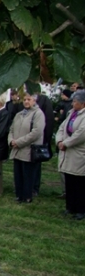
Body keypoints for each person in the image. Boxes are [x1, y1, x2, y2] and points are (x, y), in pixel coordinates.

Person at [8, 93, 45, 203]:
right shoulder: (19, 114)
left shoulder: (38, 114)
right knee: (18, 174)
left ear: (34, 101)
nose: (26, 101)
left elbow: (36, 132)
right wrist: (11, 141)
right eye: (24, 99)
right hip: (16, 149)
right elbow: (11, 129)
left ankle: (27, 196)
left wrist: (19, 142)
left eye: (29, 99)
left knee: (28, 174)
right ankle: (19, 195)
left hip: (29, 149)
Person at [56, 90, 85, 220]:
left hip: (78, 153)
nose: (72, 103)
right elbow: (62, 128)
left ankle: (81, 210)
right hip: (67, 152)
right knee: (69, 181)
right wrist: (59, 141)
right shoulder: (71, 113)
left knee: (79, 183)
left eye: (75, 101)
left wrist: (66, 143)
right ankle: (70, 207)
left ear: (83, 103)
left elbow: (81, 134)